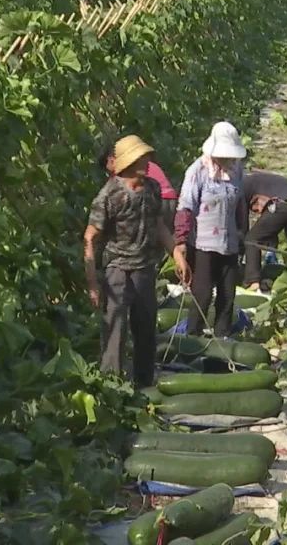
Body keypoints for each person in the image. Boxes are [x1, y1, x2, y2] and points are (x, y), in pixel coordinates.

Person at [84, 135, 189, 387]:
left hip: (144, 267)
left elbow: (159, 225)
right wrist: (92, 283)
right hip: (118, 269)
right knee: (115, 330)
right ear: (128, 162)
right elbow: (90, 237)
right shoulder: (108, 195)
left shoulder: (152, 188)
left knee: (145, 327)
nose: (147, 162)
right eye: (141, 158)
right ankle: (111, 385)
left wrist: (176, 254)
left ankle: (144, 382)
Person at [173, 121, 248, 337]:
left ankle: (222, 336)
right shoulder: (197, 171)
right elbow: (185, 207)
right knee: (203, 294)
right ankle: (193, 337)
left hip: (230, 243)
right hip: (202, 244)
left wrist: (242, 232)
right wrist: (181, 241)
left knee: (227, 295)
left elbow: (240, 203)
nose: (228, 159)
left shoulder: (236, 170)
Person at [243, 169, 287, 291]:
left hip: (283, 204)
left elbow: (241, 225)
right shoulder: (257, 181)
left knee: (252, 240)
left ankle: (252, 282)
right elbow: (271, 227)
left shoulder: (239, 187)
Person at [97, 141, 179, 233]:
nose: (109, 170)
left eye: (106, 165)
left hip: (157, 199)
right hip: (170, 197)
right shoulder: (139, 162)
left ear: (111, 159)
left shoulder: (128, 166)